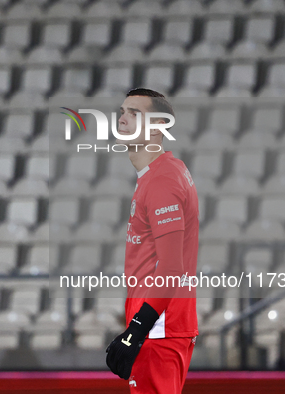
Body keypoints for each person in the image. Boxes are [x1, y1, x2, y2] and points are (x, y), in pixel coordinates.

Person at [105, 89, 199, 393]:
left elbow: (172, 266)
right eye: (122, 112)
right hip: (160, 326)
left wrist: (137, 329)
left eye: (135, 114)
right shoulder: (161, 172)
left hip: (159, 328)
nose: (123, 119)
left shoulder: (162, 180)